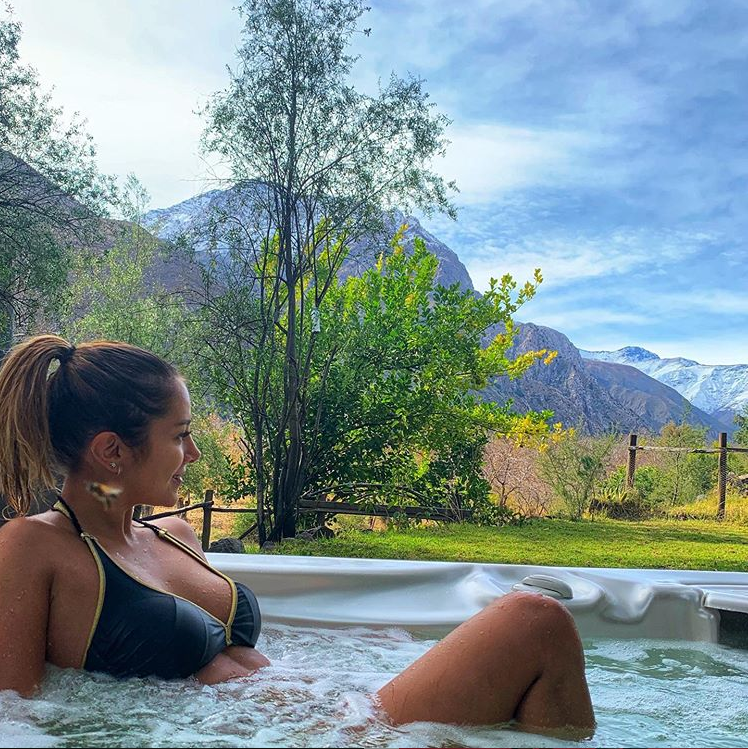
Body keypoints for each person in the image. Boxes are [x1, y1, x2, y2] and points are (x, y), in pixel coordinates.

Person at [0, 334, 595, 736]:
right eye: (179, 435)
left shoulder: (174, 535)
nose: (195, 452)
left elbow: (233, 657)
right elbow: (13, 718)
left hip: (330, 715)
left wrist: (369, 649)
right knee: (534, 622)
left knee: (536, 671)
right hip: (313, 735)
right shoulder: (34, 547)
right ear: (112, 451)